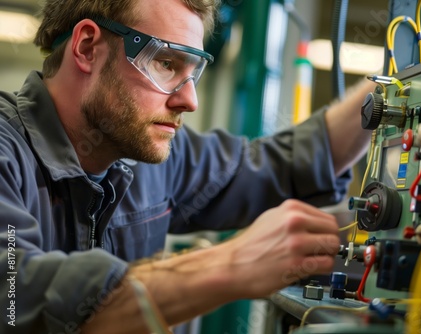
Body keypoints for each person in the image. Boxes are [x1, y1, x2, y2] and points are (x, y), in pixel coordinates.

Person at [0, 0, 376, 332]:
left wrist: (391, 92)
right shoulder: (8, 152)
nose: (189, 100)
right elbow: (16, 301)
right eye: (165, 63)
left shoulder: (151, 159)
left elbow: (287, 165)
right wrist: (226, 265)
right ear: (86, 47)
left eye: (192, 71)